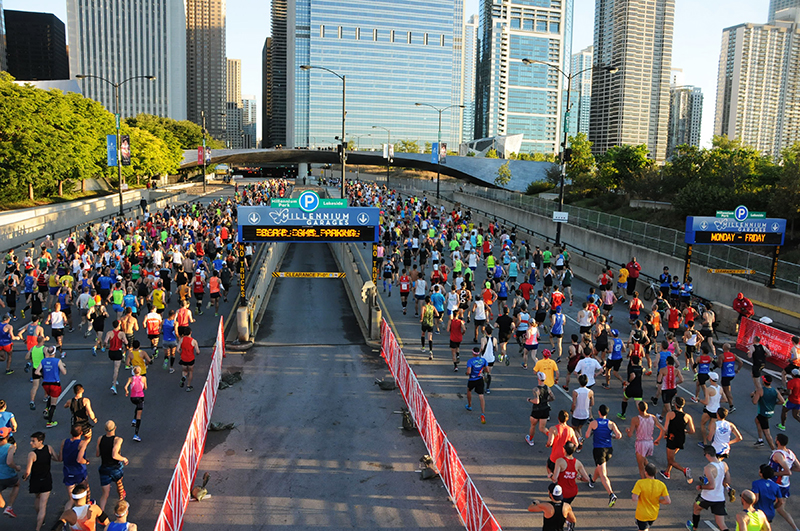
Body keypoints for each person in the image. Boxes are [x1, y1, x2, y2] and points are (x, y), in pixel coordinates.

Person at [686, 445, 732, 531]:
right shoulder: (724, 465)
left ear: (707, 455)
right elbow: (727, 481)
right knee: (721, 523)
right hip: (719, 498)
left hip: (706, 497)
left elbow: (711, 486)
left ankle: (694, 528)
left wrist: (700, 486)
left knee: (696, 508)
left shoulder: (708, 468)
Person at [585, 404, 622, 507]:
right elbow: (619, 435)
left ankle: (611, 494)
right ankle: (592, 481)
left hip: (598, 450)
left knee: (603, 474)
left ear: (599, 412)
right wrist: (612, 436)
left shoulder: (593, 423)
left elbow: (587, 435)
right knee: (600, 466)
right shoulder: (611, 423)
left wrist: (593, 432)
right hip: (608, 450)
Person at [23, 431, 59, 531]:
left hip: (35, 481)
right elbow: (56, 458)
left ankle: (39, 518)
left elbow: (27, 471)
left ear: (40, 441)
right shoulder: (49, 448)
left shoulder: (32, 454)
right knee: (43, 505)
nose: (31, 443)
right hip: (46, 480)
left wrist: (25, 477)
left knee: (37, 499)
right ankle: (38, 527)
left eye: (33, 441)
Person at [768, 433, 800, 530]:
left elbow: (788, 471)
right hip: (785, 485)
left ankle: (764, 523)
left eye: (776, 438)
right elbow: (798, 468)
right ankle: (795, 528)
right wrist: (789, 468)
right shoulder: (790, 453)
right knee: (781, 509)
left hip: (774, 483)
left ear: (778, 441)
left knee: (764, 503)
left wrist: (772, 474)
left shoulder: (778, 454)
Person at [96, 420, 128, 513]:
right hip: (115, 468)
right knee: (119, 484)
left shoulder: (100, 438)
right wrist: (124, 459)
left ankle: (101, 515)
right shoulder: (118, 440)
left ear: (105, 429)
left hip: (104, 468)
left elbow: (97, 454)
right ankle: (122, 504)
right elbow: (115, 455)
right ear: (115, 428)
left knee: (105, 494)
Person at [627, 401, 664, 479]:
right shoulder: (653, 417)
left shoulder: (635, 419)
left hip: (641, 443)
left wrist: (627, 431)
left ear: (638, 408)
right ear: (647, 408)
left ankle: (645, 484)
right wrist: (658, 439)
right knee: (644, 459)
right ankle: (651, 471)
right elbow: (663, 429)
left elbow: (630, 435)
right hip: (650, 443)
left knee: (641, 467)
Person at [662, 396, 695, 483]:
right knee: (671, 456)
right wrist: (686, 431)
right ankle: (667, 472)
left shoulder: (670, 414)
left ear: (675, 404)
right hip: (681, 439)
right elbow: (692, 430)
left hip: (672, 438)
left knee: (671, 460)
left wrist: (664, 435)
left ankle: (684, 470)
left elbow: (665, 428)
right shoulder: (687, 416)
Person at [632, 462, 671, 531]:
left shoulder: (640, 483)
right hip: (653, 514)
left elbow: (634, 498)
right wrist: (658, 501)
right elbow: (668, 501)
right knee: (646, 527)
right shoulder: (661, 485)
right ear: (655, 472)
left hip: (642, 514)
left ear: (645, 472)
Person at [61, 425, 90, 509]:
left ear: (70, 432)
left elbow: (60, 458)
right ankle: (86, 508)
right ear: (81, 433)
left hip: (68, 472)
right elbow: (79, 459)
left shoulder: (64, 442)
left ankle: (65, 519)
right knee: (85, 491)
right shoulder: (82, 443)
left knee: (71, 499)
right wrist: (86, 461)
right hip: (80, 472)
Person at [38, 346, 66, 428]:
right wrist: (63, 366)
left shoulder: (43, 361)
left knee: (50, 396)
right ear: (54, 352)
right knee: (54, 403)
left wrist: (44, 375)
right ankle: (50, 421)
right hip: (55, 384)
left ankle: (46, 408)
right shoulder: (57, 361)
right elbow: (64, 372)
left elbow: (37, 371)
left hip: (46, 383)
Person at [753, 374, 783, 449]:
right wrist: (774, 403)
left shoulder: (760, 390)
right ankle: (760, 439)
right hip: (770, 412)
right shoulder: (775, 390)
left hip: (763, 413)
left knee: (767, 433)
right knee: (757, 420)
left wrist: (754, 395)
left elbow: (754, 402)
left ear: (764, 382)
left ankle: (773, 449)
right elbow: (782, 401)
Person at [546, 411, 579, 479]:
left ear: (558, 418)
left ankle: (552, 477)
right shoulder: (570, 430)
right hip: (565, 458)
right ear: (567, 419)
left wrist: (547, 445)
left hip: (555, 457)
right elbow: (576, 443)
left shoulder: (553, 429)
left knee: (548, 466)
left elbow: (550, 442)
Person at [527, 372, 555, 446]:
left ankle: (531, 439)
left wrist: (529, 400)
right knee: (542, 428)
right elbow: (553, 397)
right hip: (545, 409)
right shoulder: (547, 388)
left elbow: (537, 401)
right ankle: (551, 437)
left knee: (533, 425)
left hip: (537, 410)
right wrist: (546, 400)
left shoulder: (536, 389)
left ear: (538, 379)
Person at [0, 426, 21, 518]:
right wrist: (16, 467)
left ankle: (2, 503)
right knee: (17, 484)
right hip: (8, 475)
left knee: (1, 503)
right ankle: (9, 507)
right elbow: (9, 462)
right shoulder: (10, 447)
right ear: (7, 436)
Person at [104, 320, 128, 395]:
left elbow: (105, 341)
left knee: (115, 366)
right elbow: (126, 342)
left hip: (111, 352)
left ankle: (115, 380)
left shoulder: (109, 333)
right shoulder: (121, 333)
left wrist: (106, 346)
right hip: (118, 352)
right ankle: (114, 385)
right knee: (116, 369)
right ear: (118, 325)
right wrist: (123, 342)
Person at [718, 344, 743, 412]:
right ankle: (727, 399)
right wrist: (738, 370)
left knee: (726, 391)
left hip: (725, 375)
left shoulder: (722, 356)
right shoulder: (733, 355)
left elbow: (720, 365)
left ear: (723, 348)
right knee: (727, 387)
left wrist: (716, 362)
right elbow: (741, 362)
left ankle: (731, 405)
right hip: (732, 374)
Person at [465, 347, 488, 424]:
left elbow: (468, 371)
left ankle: (469, 405)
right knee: (481, 396)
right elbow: (487, 370)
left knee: (469, 390)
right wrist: (482, 370)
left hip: (472, 379)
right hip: (480, 379)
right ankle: (483, 413)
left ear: (473, 353)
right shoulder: (484, 360)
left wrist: (467, 373)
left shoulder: (470, 361)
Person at [124, 366, 147, 441]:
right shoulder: (143, 378)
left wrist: (127, 391)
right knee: (139, 415)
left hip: (132, 398)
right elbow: (145, 387)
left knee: (137, 406)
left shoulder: (130, 378)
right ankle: (136, 434)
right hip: (140, 397)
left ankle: (134, 419)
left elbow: (125, 387)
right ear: (140, 371)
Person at [571, 375, 593, 450]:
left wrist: (571, 410)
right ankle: (580, 444)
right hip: (585, 414)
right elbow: (592, 403)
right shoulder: (590, 392)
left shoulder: (575, 392)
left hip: (577, 413)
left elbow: (574, 404)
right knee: (579, 427)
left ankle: (579, 438)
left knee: (573, 428)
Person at [699, 372, 723, 444]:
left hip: (709, 409)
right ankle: (713, 441)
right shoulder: (720, 388)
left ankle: (705, 442)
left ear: (710, 379)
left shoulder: (708, 389)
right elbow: (725, 399)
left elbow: (706, 402)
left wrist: (700, 400)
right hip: (716, 410)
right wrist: (717, 400)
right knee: (711, 428)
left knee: (703, 424)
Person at [179, 327, 200, 392]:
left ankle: (184, 377)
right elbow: (198, 351)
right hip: (190, 359)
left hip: (183, 359)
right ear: (190, 332)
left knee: (184, 370)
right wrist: (196, 353)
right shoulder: (194, 341)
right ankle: (188, 386)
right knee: (190, 371)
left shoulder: (181, 340)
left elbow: (177, 349)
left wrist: (181, 353)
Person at [480, 325, 498, 393]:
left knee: (481, 372)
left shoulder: (483, 339)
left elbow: (482, 348)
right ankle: (487, 388)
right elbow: (496, 348)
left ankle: (482, 386)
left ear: (485, 331)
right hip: (491, 358)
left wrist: (479, 351)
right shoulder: (495, 339)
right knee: (489, 373)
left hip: (484, 358)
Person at [419, 295, 438, 360]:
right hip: (430, 323)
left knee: (423, 334)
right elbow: (437, 314)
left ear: (425, 301)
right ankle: (430, 350)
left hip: (425, 323)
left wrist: (421, 319)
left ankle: (423, 347)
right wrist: (433, 315)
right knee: (430, 337)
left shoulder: (424, 307)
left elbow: (422, 314)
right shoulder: (432, 307)